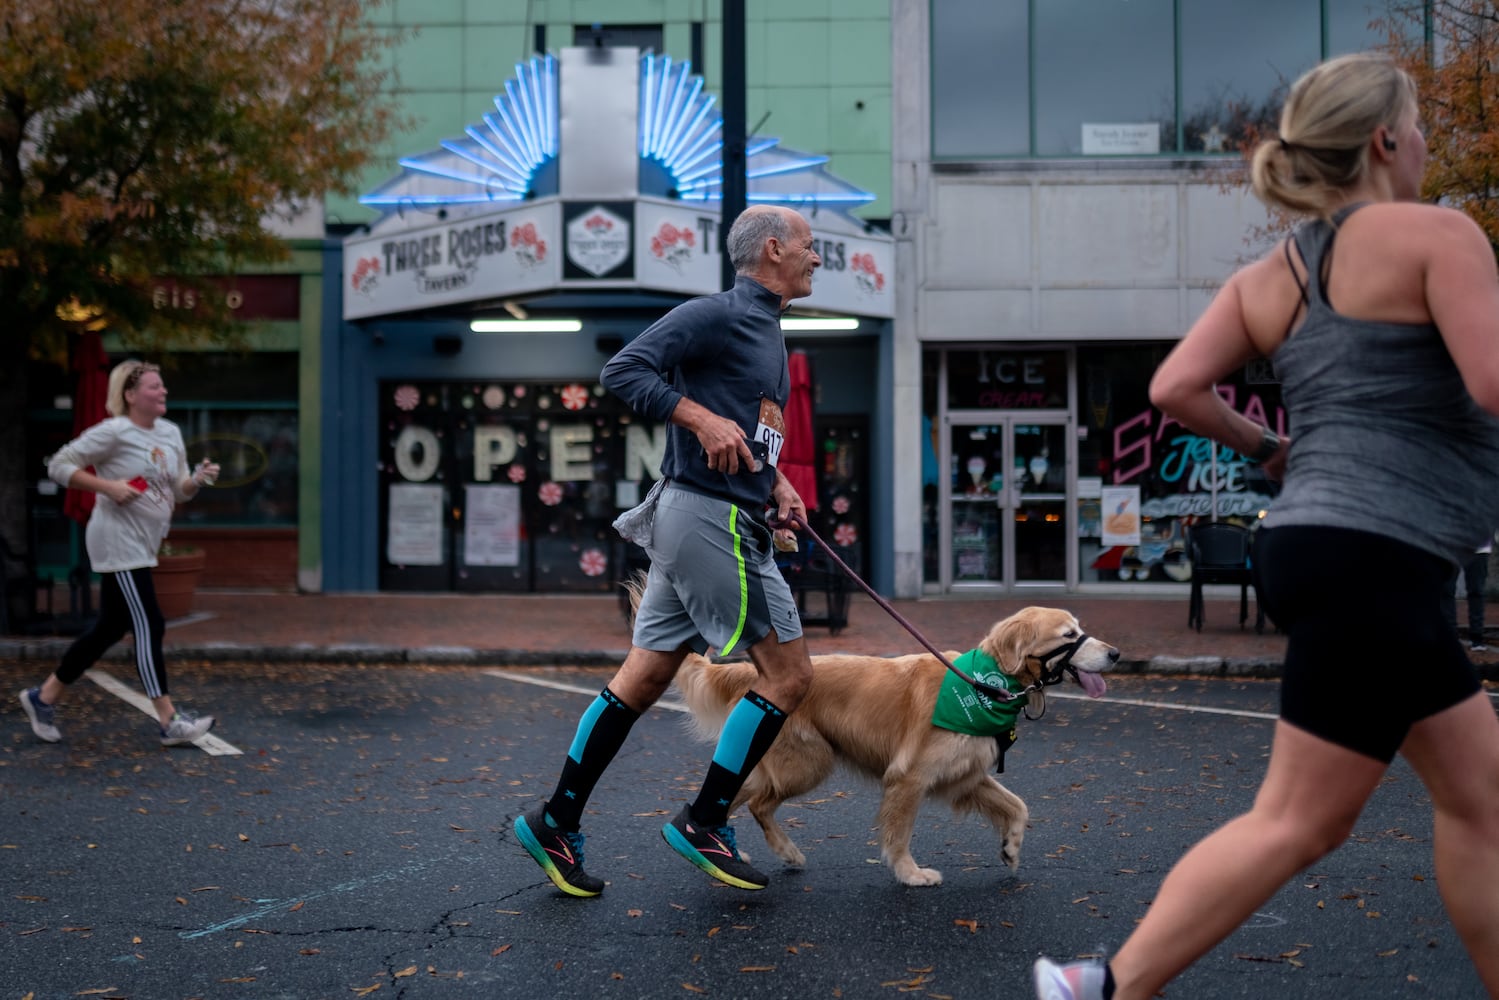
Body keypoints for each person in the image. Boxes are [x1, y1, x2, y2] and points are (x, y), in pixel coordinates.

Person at [1033, 52, 1499, 1000]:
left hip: (1317, 547)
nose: (1420, 147)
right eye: (1415, 129)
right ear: (1382, 140)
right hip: (1378, 556)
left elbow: (1172, 387)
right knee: (1295, 820)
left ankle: (1101, 988)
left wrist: (1267, 447)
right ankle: (1105, 988)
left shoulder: (1273, 273)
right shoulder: (1437, 236)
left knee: (1470, 801)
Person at [514, 204, 820, 896]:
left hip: (717, 514)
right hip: (706, 519)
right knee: (788, 675)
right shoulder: (718, 313)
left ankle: (553, 820)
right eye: (809, 245)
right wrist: (698, 415)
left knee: (644, 678)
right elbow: (624, 371)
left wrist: (774, 483)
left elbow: (750, 430)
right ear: (773, 250)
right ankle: (705, 820)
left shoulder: (768, 331)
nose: (817, 256)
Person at [18, 360, 221, 748]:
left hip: (145, 542)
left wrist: (195, 480)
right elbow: (60, 466)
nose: (163, 391)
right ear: (130, 396)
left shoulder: (170, 432)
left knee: (108, 629)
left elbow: (178, 489)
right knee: (150, 623)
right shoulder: (114, 432)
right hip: (117, 540)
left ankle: (42, 698)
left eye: (163, 386)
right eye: (153, 387)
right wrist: (107, 487)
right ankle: (169, 719)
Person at [1440, 538, 1492, 652]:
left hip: (1479, 546)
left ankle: (1477, 638)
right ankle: (1451, 637)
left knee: (1476, 591)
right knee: (1447, 590)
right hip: (1450, 544)